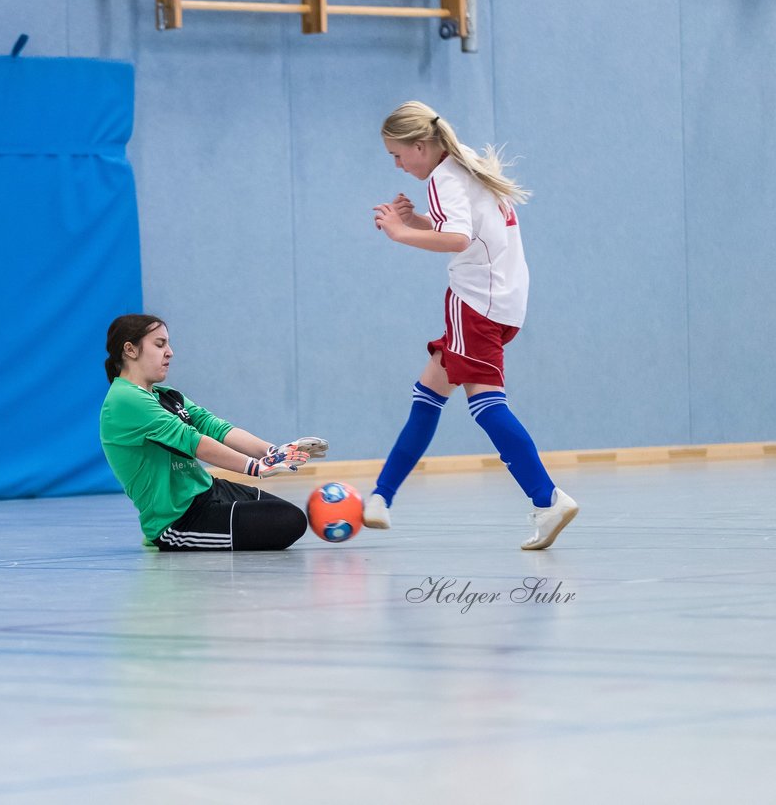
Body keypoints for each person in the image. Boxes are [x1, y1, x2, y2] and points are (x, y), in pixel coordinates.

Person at [366, 101, 578, 550]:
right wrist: (416, 220)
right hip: (502, 299)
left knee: (485, 404)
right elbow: (468, 232)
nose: (397, 165)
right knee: (428, 394)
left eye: (398, 155)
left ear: (420, 146)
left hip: (475, 303)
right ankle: (380, 498)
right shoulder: (464, 161)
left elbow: (458, 239)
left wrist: (400, 233)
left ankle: (548, 499)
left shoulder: (444, 177)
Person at [99, 314, 326, 551]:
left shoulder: (166, 395)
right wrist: (256, 466)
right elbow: (194, 441)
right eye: (159, 344)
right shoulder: (125, 399)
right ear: (130, 350)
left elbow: (214, 427)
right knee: (289, 521)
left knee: (290, 514)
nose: (170, 352)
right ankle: (160, 536)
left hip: (207, 490)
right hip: (179, 519)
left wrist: (272, 452)